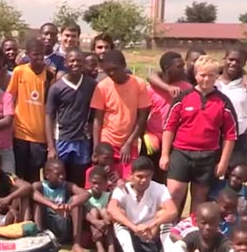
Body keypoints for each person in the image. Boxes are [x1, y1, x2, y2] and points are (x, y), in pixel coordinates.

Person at [161, 55, 237, 213]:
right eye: (202, 75)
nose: (206, 79)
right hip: (181, 153)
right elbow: (169, 127)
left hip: (208, 156)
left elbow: (230, 135)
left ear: (216, 76)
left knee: (200, 198)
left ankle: (194, 227)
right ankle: (169, 227)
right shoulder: (183, 98)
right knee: (174, 193)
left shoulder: (224, 102)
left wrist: (223, 162)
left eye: (211, 75)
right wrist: (165, 154)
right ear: (195, 75)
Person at [107, 157, 178, 252]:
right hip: (132, 238)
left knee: (165, 215)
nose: (144, 180)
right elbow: (111, 209)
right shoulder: (122, 189)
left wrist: (152, 225)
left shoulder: (160, 188)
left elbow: (173, 211)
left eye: (148, 176)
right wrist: (134, 228)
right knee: (118, 214)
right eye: (139, 176)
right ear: (131, 175)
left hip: (154, 237)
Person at [90, 49, 150, 179]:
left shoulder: (139, 84)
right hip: (107, 142)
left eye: (114, 69)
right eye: (108, 70)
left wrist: (128, 143)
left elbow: (142, 117)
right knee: (106, 180)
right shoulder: (102, 87)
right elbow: (97, 120)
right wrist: (96, 148)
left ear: (124, 65)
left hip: (129, 142)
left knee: (128, 180)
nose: (111, 73)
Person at [46, 49, 97, 186]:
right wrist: (51, 147)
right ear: (65, 63)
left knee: (79, 180)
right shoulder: (56, 88)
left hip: (82, 140)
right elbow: (49, 116)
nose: (75, 64)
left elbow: (95, 112)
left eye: (79, 61)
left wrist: (91, 126)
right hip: (62, 139)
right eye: (72, 61)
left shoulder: (91, 85)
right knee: (60, 180)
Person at [7, 37, 51, 184]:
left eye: (41, 54)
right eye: (35, 54)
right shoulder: (19, 71)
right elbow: (10, 97)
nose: (39, 57)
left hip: (40, 136)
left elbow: (50, 105)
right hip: (20, 132)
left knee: (34, 176)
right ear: (28, 54)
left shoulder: (49, 74)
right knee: (19, 174)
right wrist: (10, 123)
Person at [144, 52, 192, 182]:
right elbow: (142, 116)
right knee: (150, 178)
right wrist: (146, 134)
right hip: (153, 142)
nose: (183, 69)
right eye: (179, 66)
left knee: (172, 180)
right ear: (167, 68)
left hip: (176, 143)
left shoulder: (187, 89)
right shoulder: (151, 89)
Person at [32, 159, 91, 252]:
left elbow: (86, 194)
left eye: (63, 173)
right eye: (57, 174)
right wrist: (52, 205)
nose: (62, 176)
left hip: (62, 224)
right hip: (47, 225)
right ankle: (39, 239)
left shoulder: (66, 185)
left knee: (76, 199)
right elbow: (31, 192)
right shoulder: (40, 186)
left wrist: (71, 205)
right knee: (38, 202)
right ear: (47, 175)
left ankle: (76, 244)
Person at [217, 46, 247, 167]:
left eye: (238, 61)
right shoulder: (211, 81)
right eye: (231, 59)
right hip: (212, 138)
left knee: (236, 174)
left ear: (244, 64)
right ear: (224, 59)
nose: (233, 63)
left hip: (239, 140)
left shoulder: (244, 85)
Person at [85, 166, 119, 252]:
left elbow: (111, 214)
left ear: (105, 183)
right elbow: (86, 215)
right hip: (92, 225)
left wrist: (102, 225)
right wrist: (97, 225)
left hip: (106, 225)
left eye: (100, 183)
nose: (96, 186)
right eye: (94, 183)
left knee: (105, 211)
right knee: (94, 211)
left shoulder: (108, 195)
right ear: (89, 182)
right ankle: (100, 248)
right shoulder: (86, 195)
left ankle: (111, 249)